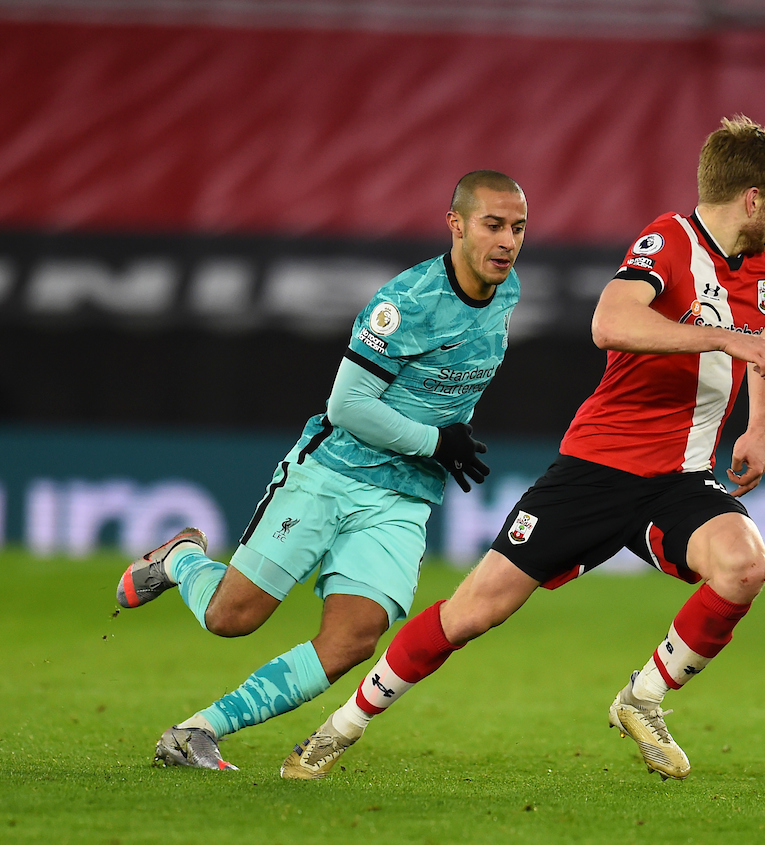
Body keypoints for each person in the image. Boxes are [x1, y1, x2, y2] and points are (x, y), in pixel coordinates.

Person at [281, 115, 765, 782]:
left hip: (680, 479)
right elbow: (609, 322)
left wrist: (757, 424)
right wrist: (722, 339)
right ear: (754, 196)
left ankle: (642, 696)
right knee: (476, 611)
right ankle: (339, 728)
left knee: (744, 566)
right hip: (595, 470)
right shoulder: (669, 241)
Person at [114, 170, 527, 771]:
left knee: (353, 641)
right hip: (331, 475)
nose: (508, 241)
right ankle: (180, 556)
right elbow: (348, 407)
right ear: (456, 224)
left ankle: (195, 732)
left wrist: (434, 448)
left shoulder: (508, 291)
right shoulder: (404, 304)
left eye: (518, 228)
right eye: (493, 225)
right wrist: (436, 440)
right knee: (231, 619)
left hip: (405, 497)